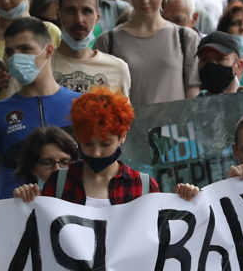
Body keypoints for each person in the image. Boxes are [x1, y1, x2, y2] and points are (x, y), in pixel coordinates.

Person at [0, 17, 80, 202]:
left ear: (48, 51)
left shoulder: (81, 104)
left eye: (25, 49)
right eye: (10, 52)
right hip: (16, 216)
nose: (16, 58)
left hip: (71, 214)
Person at [18, 86, 159, 205]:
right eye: (88, 143)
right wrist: (25, 202)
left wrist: (180, 199)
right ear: (77, 138)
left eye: (105, 144)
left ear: (122, 136)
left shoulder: (144, 186)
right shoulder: (58, 183)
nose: (96, 153)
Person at [98, 0, 201, 106]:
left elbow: (193, 95)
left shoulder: (186, 38)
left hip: (173, 126)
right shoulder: (107, 42)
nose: (145, 0)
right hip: (126, 128)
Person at [50, 0, 132, 95]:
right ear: (59, 14)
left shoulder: (118, 70)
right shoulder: (39, 67)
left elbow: (123, 113)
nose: (79, 20)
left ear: (98, 16)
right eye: (71, 11)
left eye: (86, 11)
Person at [12, 126, 77, 191]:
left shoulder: (85, 196)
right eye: (47, 163)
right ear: (32, 169)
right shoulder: (26, 199)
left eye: (65, 162)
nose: (57, 169)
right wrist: (22, 200)